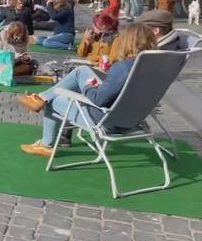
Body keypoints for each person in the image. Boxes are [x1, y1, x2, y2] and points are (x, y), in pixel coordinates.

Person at [17, 23, 157, 157]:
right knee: (82, 71)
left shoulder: (123, 68)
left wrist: (88, 87)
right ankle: (41, 98)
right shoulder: (155, 67)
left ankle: (46, 144)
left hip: (106, 121)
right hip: (133, 120)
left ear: (126, 43)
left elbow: (99, 100)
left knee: (55, 100)